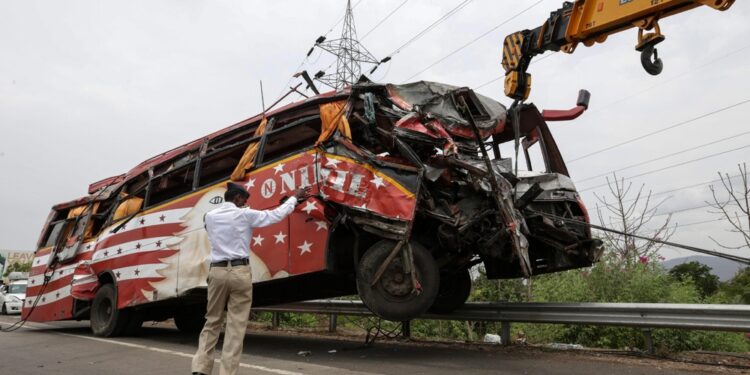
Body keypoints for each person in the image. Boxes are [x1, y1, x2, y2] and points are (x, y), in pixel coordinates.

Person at [192, 182, 311, 375]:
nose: (246, 204)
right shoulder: (245, 215)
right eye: (244, 200)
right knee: (235, 325)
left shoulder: (209, 217)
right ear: (237, 198)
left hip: (217, 272)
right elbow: (276, 215)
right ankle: (227, 372)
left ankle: (200, 369)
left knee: (212, 320)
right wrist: (294, 198)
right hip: (239, 272)